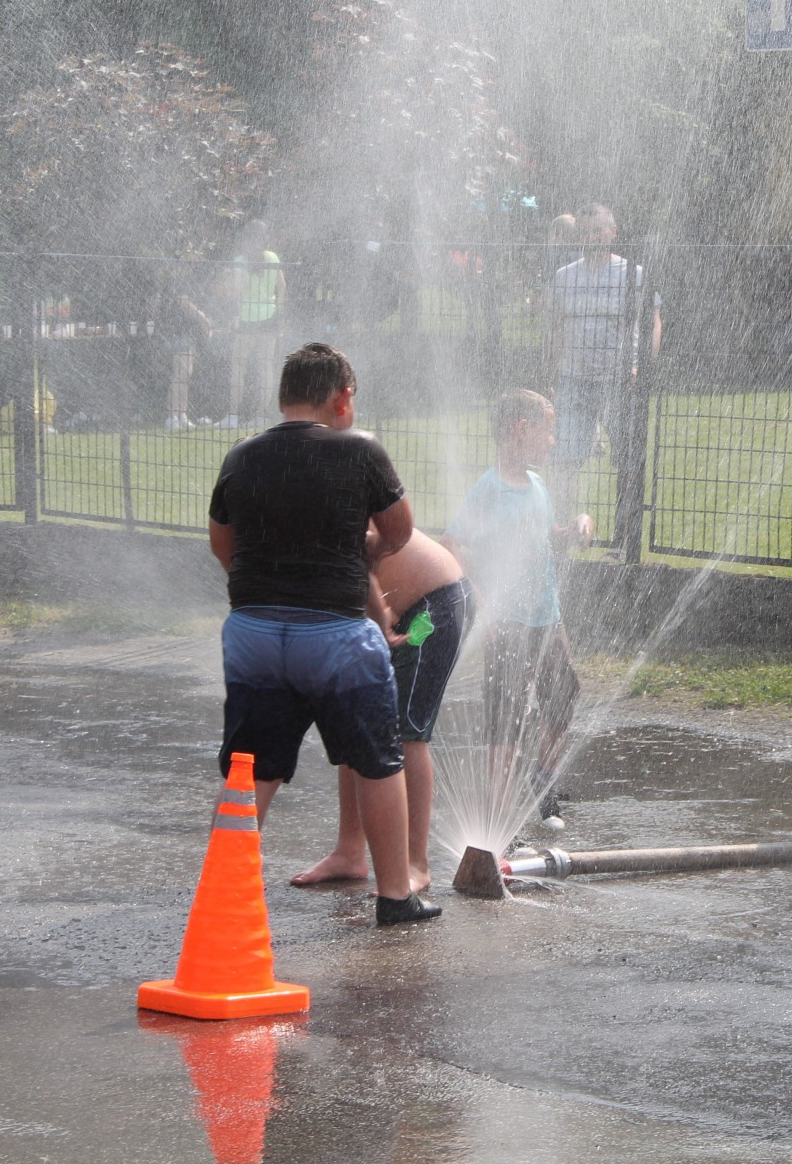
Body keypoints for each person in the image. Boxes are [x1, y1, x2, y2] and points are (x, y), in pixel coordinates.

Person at [206, 341, 439, 926]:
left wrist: (267, 584)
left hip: (254, 634)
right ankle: (395, 897)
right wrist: (359, 554)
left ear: (284, 397)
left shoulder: (241, 457)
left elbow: (223, 546)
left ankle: (224, 895)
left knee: (250, 767)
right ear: (343, 398)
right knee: (377, 761)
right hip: (335, 635)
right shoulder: (360, 451)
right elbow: (400, 531)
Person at [291, 529, 473, 892]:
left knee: (407, 732)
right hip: (377, 613)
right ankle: (349, 852)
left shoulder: (326, 487)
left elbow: (368, 548)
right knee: (354, 721)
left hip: (432, 606)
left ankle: (416, 864)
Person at [442, 389, 593, 823]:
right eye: (548, 431)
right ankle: (497, 820)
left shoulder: (538, 485)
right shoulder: (488, 491)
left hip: (548, 618)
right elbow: (450, 546)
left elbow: (543, 537)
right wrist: (480, 599)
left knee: (563, 698)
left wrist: (576, 527)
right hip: (507, 623)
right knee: (505, 720)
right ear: (521, 430)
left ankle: (542, 781)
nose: (553, 441)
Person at [545, 203, 661, 519]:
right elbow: (557, 329)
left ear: (613, 231)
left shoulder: (634, 275)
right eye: (584, 231)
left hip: (619, 381)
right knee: (564, 459)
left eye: (598, 230)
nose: (591, 237)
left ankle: (625, 540)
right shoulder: (564, 277)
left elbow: (653, 323)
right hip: (573, 380)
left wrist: (640, 367)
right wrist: (553, 378)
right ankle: (563, 535)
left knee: (627, 459)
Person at [227, 219, 287, 430]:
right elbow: (282, 288)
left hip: (247, 318)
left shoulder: (240, 261)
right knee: (265, 367)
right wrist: (278, 315)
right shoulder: (273, 258)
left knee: (238, 366)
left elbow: (237, 292)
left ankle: (233, 415)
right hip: (268, 318)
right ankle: (261, 415)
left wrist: (233, 314)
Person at [156, 263, 213, 430]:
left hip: (185, 331)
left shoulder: (182, 277)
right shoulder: (177, 277)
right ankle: (173, 416)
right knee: (180, 374)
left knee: (185, 374)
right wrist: (203, 318)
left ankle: (182, 414)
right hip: (178, 331)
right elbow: (184, 302)